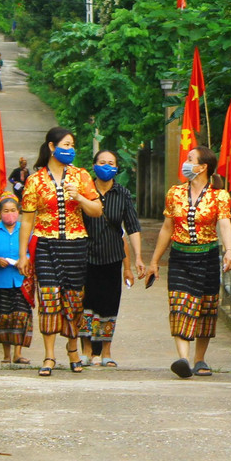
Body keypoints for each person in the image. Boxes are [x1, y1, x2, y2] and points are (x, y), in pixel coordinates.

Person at [16, 127, 103, 377]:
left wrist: (80, 198)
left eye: (72, 145)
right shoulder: (35, 180)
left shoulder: (81, 176)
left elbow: (96, 210)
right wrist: (24, 254)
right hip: (45, 243)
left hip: (75, 244)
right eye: (65, 145)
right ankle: (49, 355)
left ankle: (73, 349)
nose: (70, 150)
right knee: (49, 296)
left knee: (74, 299)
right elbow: (27, 220)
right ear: (52, 147)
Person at [146, 146, 231, 379]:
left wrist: (229, 251)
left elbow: (224, 223)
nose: (185, 163)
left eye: (190, 160)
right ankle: (183, 359)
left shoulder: (219, 195)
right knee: (179, 305)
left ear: (203, 167)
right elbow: (167, 228)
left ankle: (199, 359)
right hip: (179, 256)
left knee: (206, 308)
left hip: (206, 256)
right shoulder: (174, 193)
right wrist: (154, 261)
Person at [79, 149, 145, 367]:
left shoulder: (123, 194)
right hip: (86, 256)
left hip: (113, 257)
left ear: (117, 167)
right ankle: (87, 351)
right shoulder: (84, 192)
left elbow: (132, 228)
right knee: (86, 304)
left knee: (109, 304)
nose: (106, 166)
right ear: (94, 165)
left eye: (111, 162)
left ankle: (106, 351)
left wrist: (136, 260)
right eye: (102, 162)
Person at [0, 193, 32, 364]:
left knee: (20, 316)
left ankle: (18, 353)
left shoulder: (25, 230)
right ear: (0, 213)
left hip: (20, 280)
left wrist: (25, 260)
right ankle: (6, 355)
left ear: (18, 212)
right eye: (6, 211)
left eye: (13, 210)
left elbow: (32, 252)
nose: (10, 214)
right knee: (4, 317)